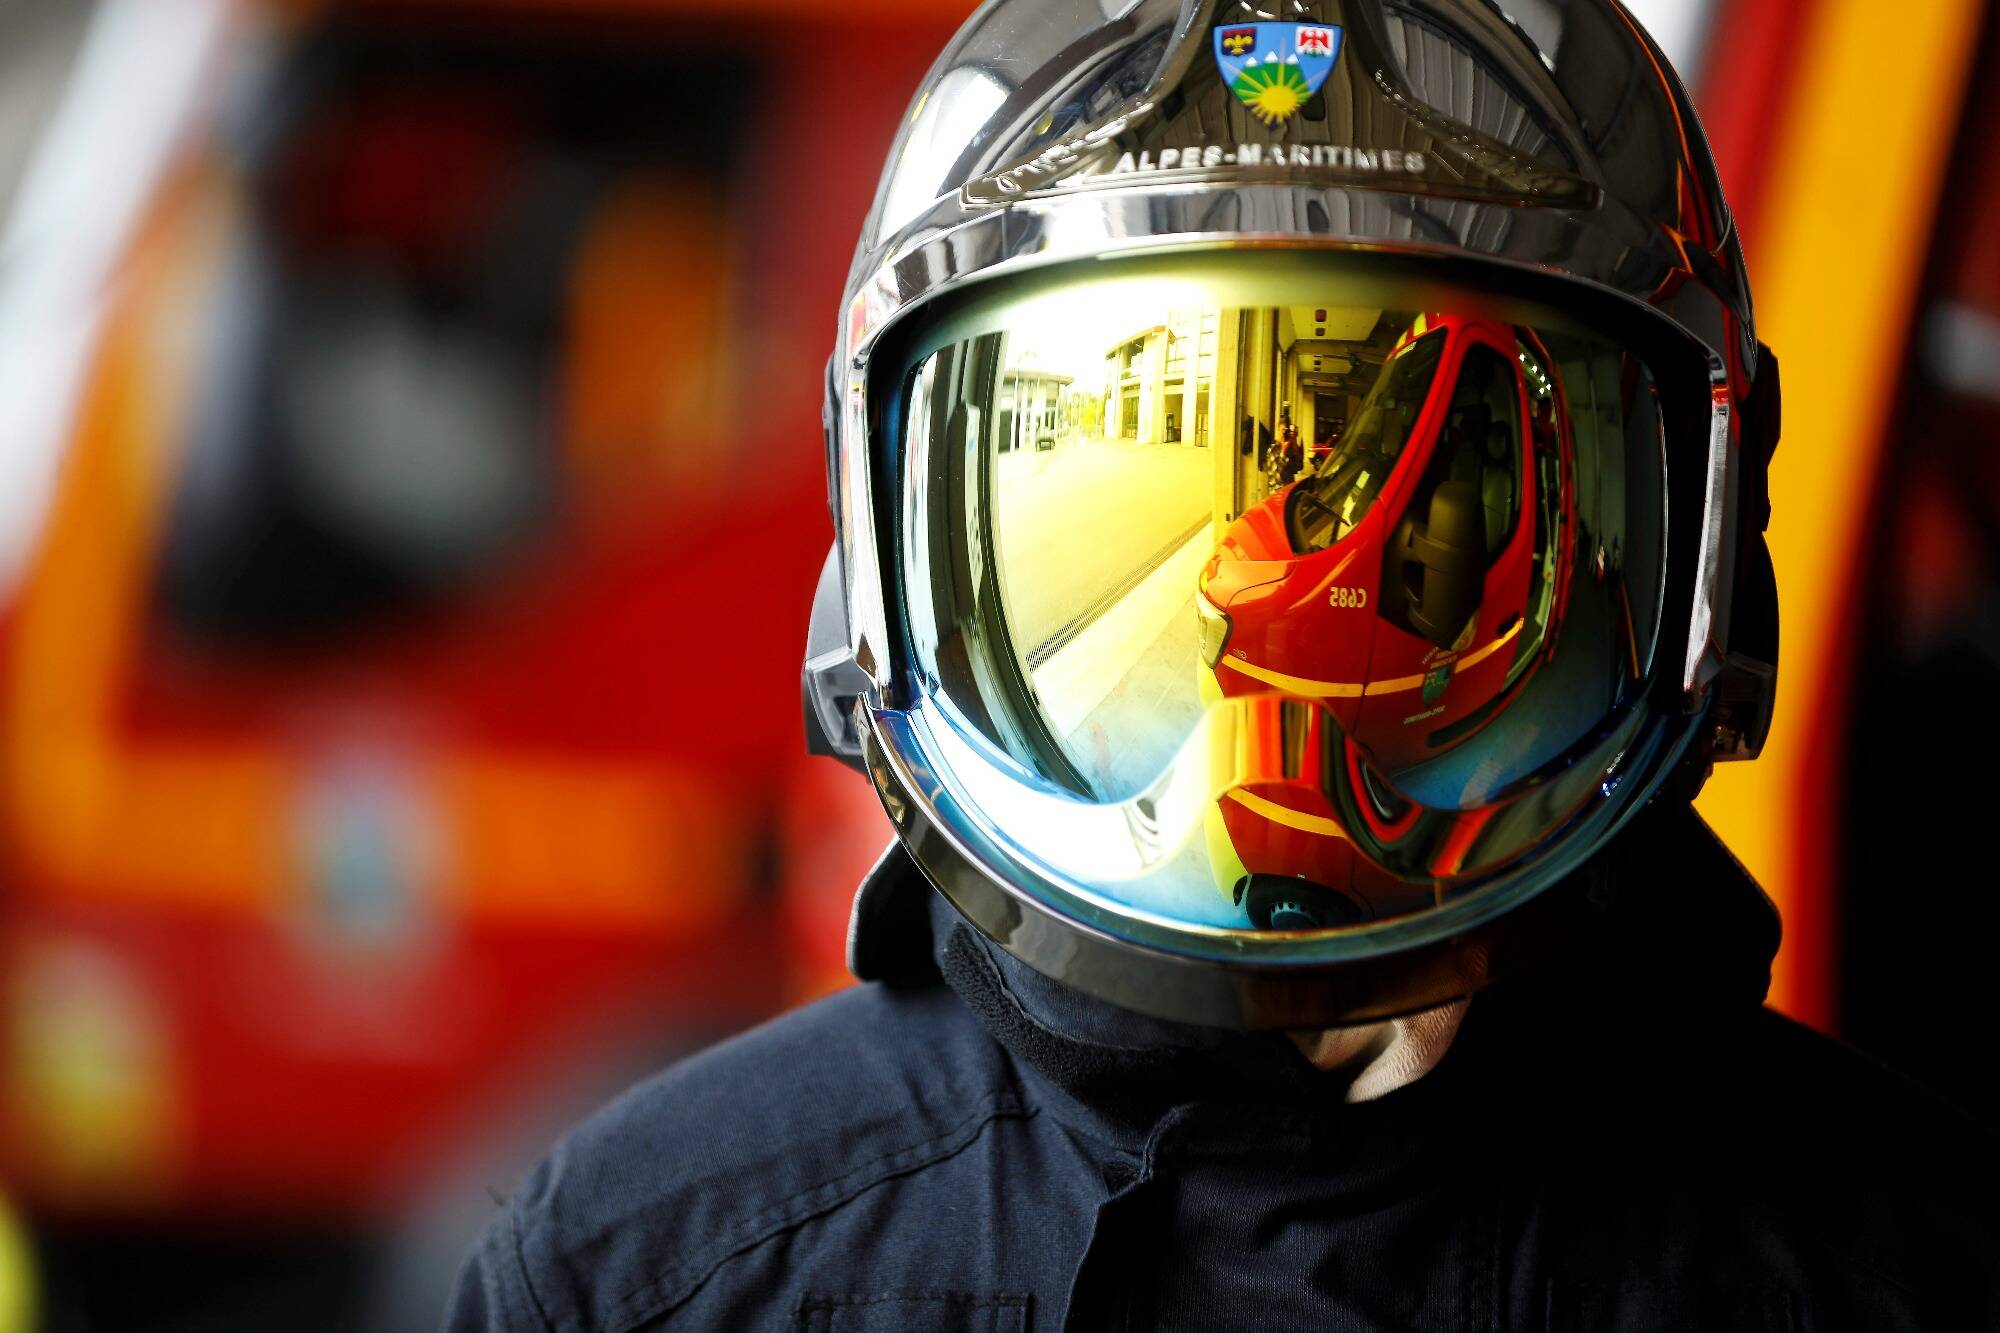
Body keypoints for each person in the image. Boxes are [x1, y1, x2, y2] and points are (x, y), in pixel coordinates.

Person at [444, 2, 1998, 1328]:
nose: (1247, 569)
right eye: (1169, 447)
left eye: (1435, 477)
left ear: (1685, 538)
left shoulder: (1909, 1261)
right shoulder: (650, 1269)